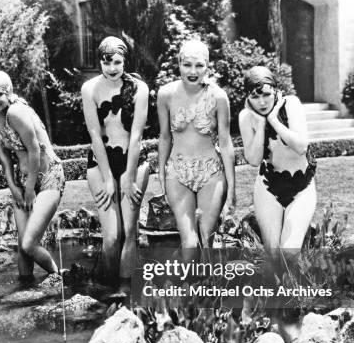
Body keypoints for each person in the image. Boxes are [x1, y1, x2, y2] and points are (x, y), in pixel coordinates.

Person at [157, 39, 235, 260]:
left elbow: (226, 142)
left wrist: (232, 190)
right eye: (187, 65)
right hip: (178, 172)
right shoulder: (165, 94)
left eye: (199, 65)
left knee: (206, 240)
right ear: (178, 63)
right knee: (189, 243)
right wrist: (161, 173)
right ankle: (189, 292)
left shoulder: (219, 97)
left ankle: (209, 292)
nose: (193, 71)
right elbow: (164, 137)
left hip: (211, 172)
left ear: (208, 66)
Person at [0, 70, 65, 280]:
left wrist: (29, 189)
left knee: (29, 244)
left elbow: (35, 149)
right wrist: (14, 186)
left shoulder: (16, 112)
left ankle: (58, 279)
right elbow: (3, 154)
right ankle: (24, 293)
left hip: (48, 177)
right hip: (23, 181)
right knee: (22, 247)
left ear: (9, 93)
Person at [81, 36, 150, 283]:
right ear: (99, 61)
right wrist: (109, 178)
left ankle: (123, 294)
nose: (112, 68)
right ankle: (103, 290)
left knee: (129, 233)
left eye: (117, 62)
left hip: (133, 161)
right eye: (106, 62)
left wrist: (129, 178)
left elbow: (137, 136)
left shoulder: (140, 89)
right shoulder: (89, 89)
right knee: (111, 236)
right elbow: (94, 134)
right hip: (101, 163)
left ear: (125, 61)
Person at [238, 66, 316, 257]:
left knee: (289, 253)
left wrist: (274, 121)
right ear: (247, 98)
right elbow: (254, 160)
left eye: (266, 94)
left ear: (275, 89)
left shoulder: (291, 104)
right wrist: (261, 123)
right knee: (273, 256)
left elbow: (301, 147)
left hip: (301, 186)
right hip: (268, 186)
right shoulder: (246, 117)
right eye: (255, 97)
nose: (262, 102)